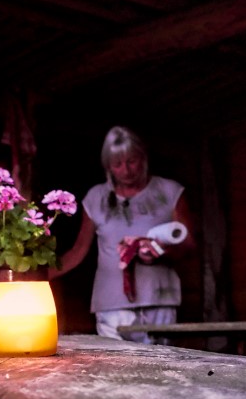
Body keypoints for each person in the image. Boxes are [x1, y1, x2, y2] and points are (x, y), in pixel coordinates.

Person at [52, 126, 195, 342]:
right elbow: (78, 251)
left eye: (132, 161)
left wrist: (160, 252)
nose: (126, 170)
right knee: (118, 368)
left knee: (161, 367)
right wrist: (35, 276)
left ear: (143, 158)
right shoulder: (96, 198)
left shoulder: (169, 191)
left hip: (159, 298)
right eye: (118, 164)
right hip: (111, 303)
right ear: (108, 166)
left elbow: (189, 244)